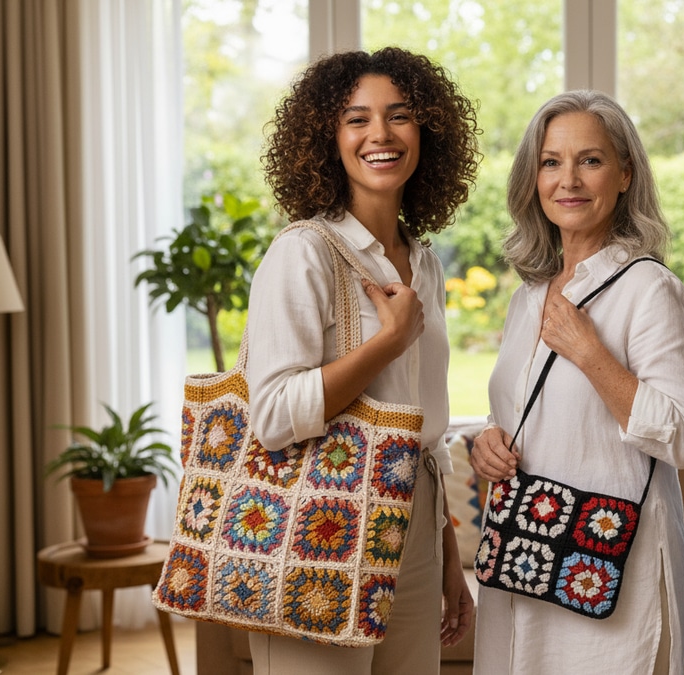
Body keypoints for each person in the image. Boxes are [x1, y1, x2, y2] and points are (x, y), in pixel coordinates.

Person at [245, 47, 481, 674]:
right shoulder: (304, 253)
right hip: (317, 532)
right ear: (327, 137)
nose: (381, 133)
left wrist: (447, 558)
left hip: (417, 530)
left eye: (400, 115)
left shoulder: (422, 260)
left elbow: (423, 430)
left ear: (426, 132)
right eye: (357, 118)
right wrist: (387, 341)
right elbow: (271, 415)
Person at [469, 90, 684, 675]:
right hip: (522, 558)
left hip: (608, 574)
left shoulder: (649, 290)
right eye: (551, 162)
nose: (568, 179)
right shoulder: (529, 296)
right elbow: (533, 412)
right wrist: (488, 442)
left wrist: (591, 353)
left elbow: (683, 437)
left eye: (590, 160)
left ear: (625, 173)